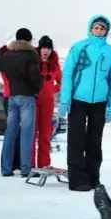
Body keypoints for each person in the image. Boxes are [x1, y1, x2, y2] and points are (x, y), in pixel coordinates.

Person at [58, 15, 111, 192]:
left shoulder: (110, 52)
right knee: (76, 139)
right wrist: (65, 99)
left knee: (95, 140)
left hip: (100, 102)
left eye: (102, 28)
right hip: (78, 100)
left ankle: (93, 178)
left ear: (106, 31)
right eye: (96, 28)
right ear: (90, 29)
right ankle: (77, 179)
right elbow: (68, 73)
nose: (99, 31)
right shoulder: (80, 47)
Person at [0, 28, 43, 177]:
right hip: (27, 96)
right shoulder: (30, 55)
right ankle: (26, 169)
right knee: (27, 134)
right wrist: (37, 87)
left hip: (12, 97)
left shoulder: (8, 54)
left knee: (10, 133)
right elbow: (35, 77)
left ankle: (5, 168)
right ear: (29, 40)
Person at [32, 35, 62, 169]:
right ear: (39, 49)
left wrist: (51, 89)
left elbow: (62, 82)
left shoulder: (54, 65)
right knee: (31, 134)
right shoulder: (33, 62)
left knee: (45, 134)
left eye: (48, 48)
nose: (46, 51)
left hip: (47, 103)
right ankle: (30, 164)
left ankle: (44, 164)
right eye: (43, 48)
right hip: (33, 101)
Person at [0, 43, 21, 172]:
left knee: (14, 132)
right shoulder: (7, 66)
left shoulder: (4, 65)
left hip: (9, 97)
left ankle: (13, 162)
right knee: (12, 132)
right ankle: (9, 163)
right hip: (11, 97)